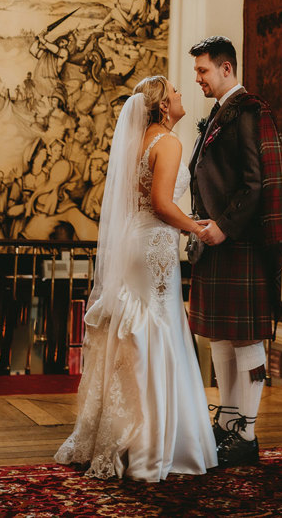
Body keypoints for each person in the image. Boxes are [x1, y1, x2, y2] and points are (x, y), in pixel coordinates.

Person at [54, 76, 217, 481]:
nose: (181, 95)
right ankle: (150, 444)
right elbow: (162, 204)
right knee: (157, 326)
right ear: (164, 106)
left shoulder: (137, 143)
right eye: (175, 92)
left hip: (133, 242)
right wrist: (197, 228)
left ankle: (120, 432)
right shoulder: (169, 142)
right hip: (154, 247)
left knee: (136, 327)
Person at [188, 35, 282, 467]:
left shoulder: (250, 112)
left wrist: (224, 227)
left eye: (202, 70)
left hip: (240, 243)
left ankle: (247, 434)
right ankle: (228, 422)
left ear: (226, 69)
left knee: (248, 339)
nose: (197, 78)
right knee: (221, 335)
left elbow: (257, 183)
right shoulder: (220, 115)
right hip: (215, 243)